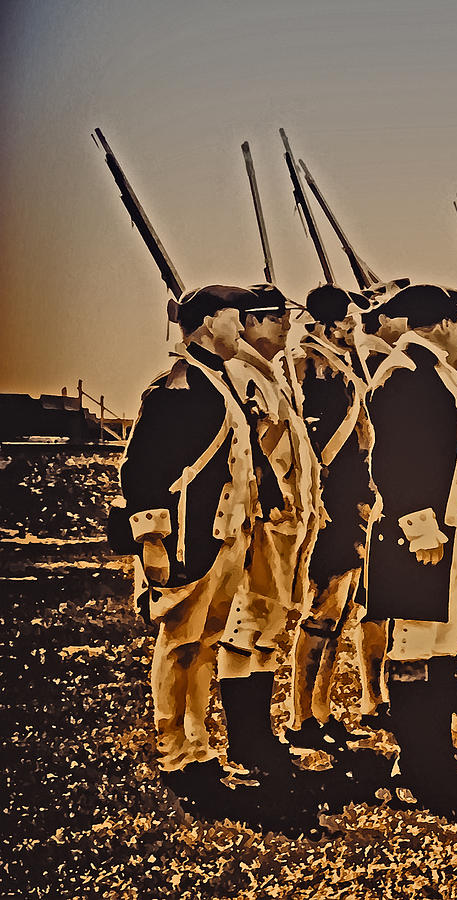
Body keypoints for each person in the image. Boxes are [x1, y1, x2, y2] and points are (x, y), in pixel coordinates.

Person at [364, 283, 457, 814]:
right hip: (419, 535)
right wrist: (421, 527)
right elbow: (394, 458)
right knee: (413, 650)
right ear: (441, 324)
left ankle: (434, 755)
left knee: (443, 648)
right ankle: (417, 764)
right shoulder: (405, 373)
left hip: (449, 531)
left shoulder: (434, 372)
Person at [119, 285, 258, 772]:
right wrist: (152, 540)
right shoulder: (176, 384)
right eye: (233, 318)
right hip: (186, 538)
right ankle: (172, 750)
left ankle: (199, 745)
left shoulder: (219, 382)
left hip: (224, 536)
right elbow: (142, 469)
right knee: (178, 644)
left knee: (205, 646)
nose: (241, 327)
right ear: (205, 323)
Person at [217, 283, 322, 772]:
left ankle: (260, 734)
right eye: (276, 317)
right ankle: (245, 742)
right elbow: (253, 450)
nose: (285, 325)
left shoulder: (269, 375)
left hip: (284, 523)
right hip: (260, 520)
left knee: (268, 629)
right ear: (252, 322)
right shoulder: (240, 373)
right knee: (244, 628)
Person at [286, 285, 376, 752]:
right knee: (322, 610)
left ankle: (321, 708)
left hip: (353, 498)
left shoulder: (347, 365)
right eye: (345, 320)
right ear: (323, 323)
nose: (352, 327)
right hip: (328, 500)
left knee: (340, 614)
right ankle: (300, 715)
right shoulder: (304, 362)